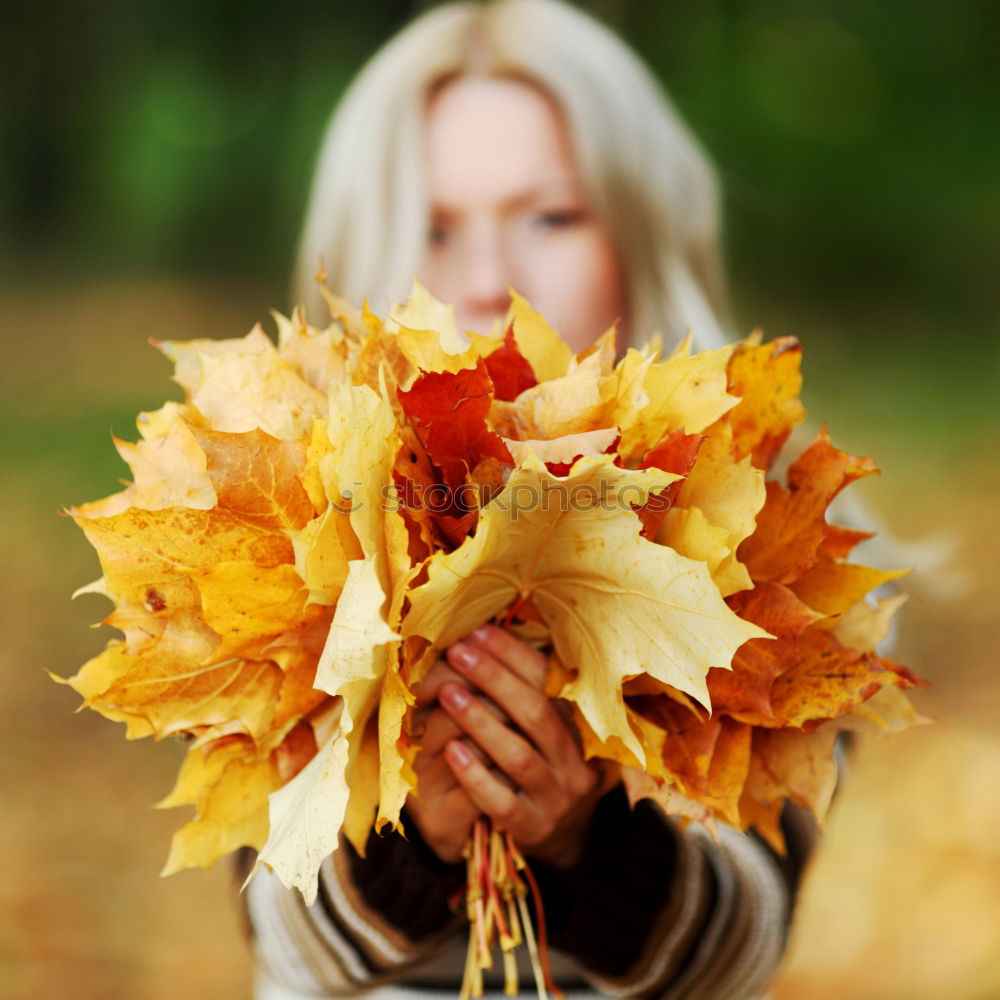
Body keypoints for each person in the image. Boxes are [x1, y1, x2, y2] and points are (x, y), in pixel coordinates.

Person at [238, 2, 819, 998]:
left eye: (549, 216)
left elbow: (745, 936)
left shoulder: (758, 535)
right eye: (433, 225)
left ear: (638, 234)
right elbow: (278, 933)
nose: (490, 278)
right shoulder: (299, 535)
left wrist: (585, 841)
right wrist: (412, 838)